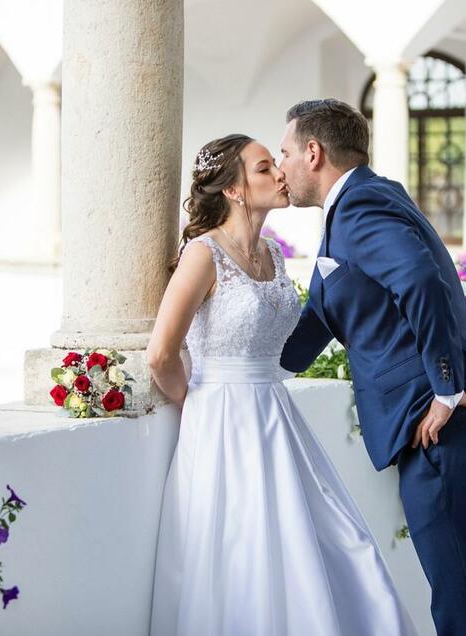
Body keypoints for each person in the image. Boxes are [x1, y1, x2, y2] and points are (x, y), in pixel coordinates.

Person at [277, 98, 466, 636]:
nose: (281, 168)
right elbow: (317, 324)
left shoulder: (359, 208)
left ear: (312, 151)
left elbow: (420, 280)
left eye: (283, 153)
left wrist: (444, 388)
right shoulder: (366, 203)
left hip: (447, 429)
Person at [147, 133, 418, 635]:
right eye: (264, 167)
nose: (279, 174)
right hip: (220, 422)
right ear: (233, 189)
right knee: (242, 552)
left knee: (325, 540)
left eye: (277, 163)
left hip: (275, 414)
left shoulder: (273, 254)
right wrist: (199, 403)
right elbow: (162, 352)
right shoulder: (203, 255)